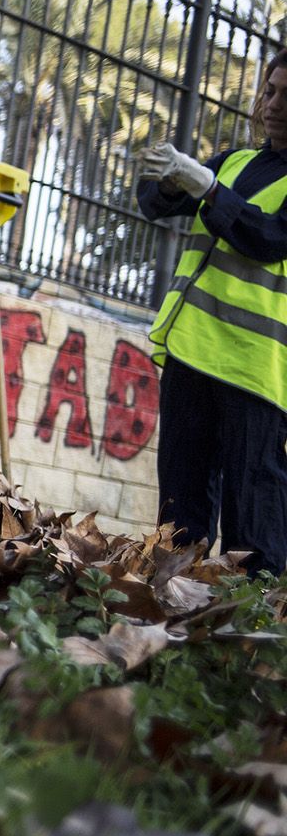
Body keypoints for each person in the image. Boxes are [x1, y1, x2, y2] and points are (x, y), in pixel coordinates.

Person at [137, 48, 287, 577]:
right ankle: (170, 598)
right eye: (270, 90)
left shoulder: (225, 175)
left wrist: (206, 187)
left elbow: (268, 238)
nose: (274, 105)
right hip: (193, 352)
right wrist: (166, 179)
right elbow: (156, 205)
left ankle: (253, 614)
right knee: (180, 504)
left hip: (257, 370)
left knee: (255, 514)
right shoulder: (234, 163)